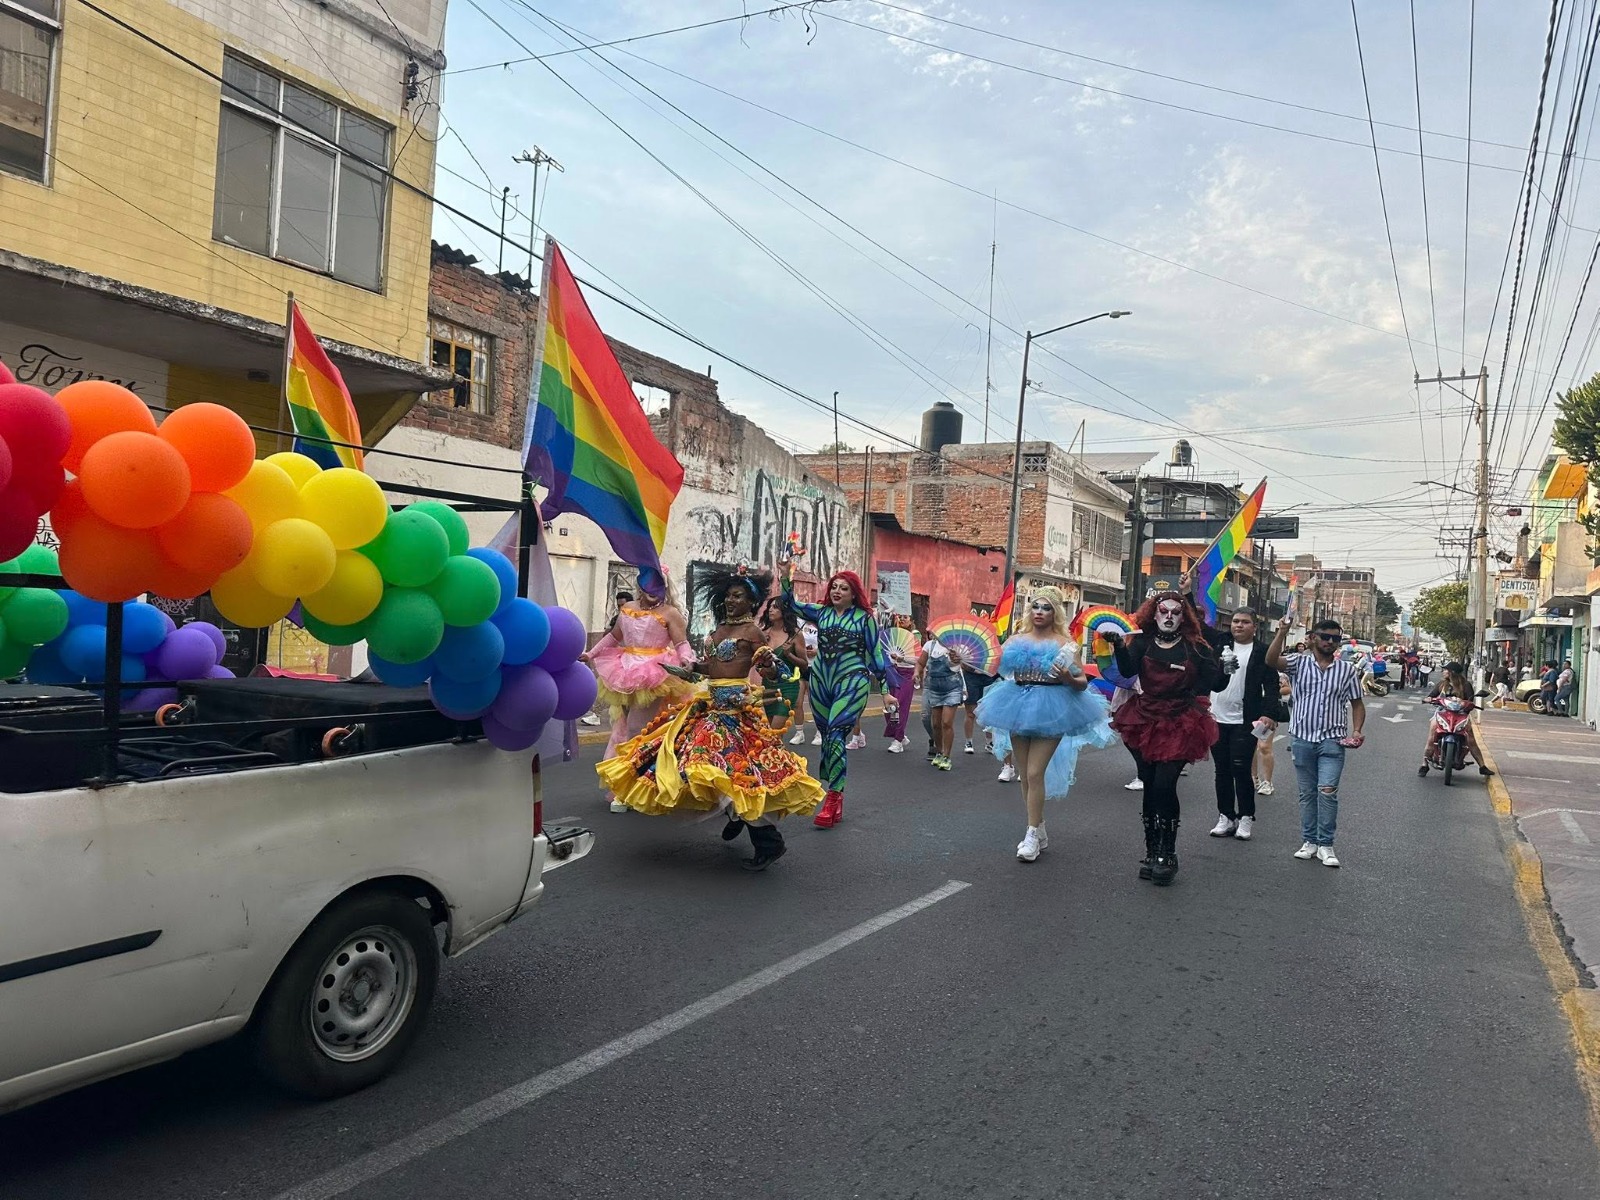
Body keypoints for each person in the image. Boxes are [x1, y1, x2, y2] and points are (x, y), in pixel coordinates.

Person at [595, 567, 822, 870]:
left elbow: (773, 671)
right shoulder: (719, 630)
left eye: (737, 596)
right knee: (699, 768)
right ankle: (735, 815)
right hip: (711, 708)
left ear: (751, 602)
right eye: (728, 596)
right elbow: (712, 668)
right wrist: (690, 669)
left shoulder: (753, 632)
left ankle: (769, 843)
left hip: (736, 714)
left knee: (740, 774)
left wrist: (769, 665)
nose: (731, 601)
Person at [976, 587, 1115, 861]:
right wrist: (962, 661)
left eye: (1046, 607)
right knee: (1025, 772)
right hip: (1016, 705)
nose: (1039, 612)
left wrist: (1067, 677)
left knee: (1034, 772)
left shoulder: (1065, 644)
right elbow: (994, 668)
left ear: (1055, 613)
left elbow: (1081, 683)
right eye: (1036, 607)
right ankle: (1038, 826)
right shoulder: (1015, 640)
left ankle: (1031, 835)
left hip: (1053, 708)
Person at [1103, 591, 1225, 886]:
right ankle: (1152, 850)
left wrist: (1227, 670)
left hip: (1181, 720)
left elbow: (1213, 683)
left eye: (1176, 612)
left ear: (1184, 617)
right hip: (1143, 718)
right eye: (1164, 611)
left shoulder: (1195, 647)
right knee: (1149, 784)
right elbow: (1128, 671)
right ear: (1153, 614)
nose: (1169, 617)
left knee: (1164, 785)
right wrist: (1119, 645)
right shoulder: (1142, 642)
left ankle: (1167, 854)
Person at [783, 564, 892, 828]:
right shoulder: (821, 613)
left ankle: (833, 796)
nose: (837, 591)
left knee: (834, 732)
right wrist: (785, 575)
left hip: (852, 680)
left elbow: (875, 654)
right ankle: (836, 794)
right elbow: (790, 605)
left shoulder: (865, 619)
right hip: (821, 680)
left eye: (843, 588)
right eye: (834, 587)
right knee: (827, 737)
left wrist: (885, 691)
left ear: (854, 594)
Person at [585, 569, 694, 813]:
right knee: (625, 729)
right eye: (649, 584)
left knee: (637, 729)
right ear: (641, 586)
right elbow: (614, 637)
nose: (653, 590)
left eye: (659, 585)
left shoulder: (670, 613)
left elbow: (681, 644)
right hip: (624, 670)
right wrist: (591, 653)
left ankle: (632, 787)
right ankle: (631, 784)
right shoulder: (628, 608)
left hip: (655, 674)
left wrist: (687, 661)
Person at [1266, 617, 1365, 868]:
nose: (1330, 642)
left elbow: (1357, 703)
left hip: (1333, 740)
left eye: (1335, 638)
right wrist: (1282, 632)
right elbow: (1271, 661)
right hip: (1302, 739)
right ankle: (1309, 841)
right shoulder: (1298, 663)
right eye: (1325, 637)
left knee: (1327, 792)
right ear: (1313, 638)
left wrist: (1357, 730)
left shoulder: (1347, 670)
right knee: (1307, 793)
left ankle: (1326, 845)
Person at [1203, 609, 1288, 842]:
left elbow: (1271, 685)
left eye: (1245, 622)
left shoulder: (1262, 651)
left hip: (1245, 719)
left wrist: (1268, 714)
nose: (1238, 625)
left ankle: (1246, 817)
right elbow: (1199, 627)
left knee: (1241, 769)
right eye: (1235, 621)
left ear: (1254, 627)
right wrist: (1187, 593)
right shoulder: (1221, 644)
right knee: (1222, 770)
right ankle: (1225, 816)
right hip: (1216, 717)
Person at [1418, 661, 1493, 777]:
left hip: (1461, 715)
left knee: (1471, 738)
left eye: (1445, 670)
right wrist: (1428, 699)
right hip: (1442, 713)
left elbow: (1470, 700)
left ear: (1452, 672)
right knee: (1431, 737)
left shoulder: (1466, 685)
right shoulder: (1442, 684)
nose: (1443, 672)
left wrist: (1466, 704)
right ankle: (1424, 764)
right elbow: (1431, 695)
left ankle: (1482, 766)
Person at [917, 634, 966, 770]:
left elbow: (965, 667)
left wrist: (958, 659)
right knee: (936, 724)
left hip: (952, 688)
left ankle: (946, 756)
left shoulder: (957, 647)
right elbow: (920, 663)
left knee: (946, 722)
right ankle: (939, 751)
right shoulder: (930, 645)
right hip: (935, 689)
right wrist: (916, 673)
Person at [759, 596, 808, 730]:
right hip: (768, 685)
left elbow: (804, 664)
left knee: (775, 731)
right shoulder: (764, 633)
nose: (770, 610)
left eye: (775, 607)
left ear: (784, 611)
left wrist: (789, 655)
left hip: (788, 686)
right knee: (772, 733)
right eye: (769, 607)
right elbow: (757, 663)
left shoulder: (795, 635)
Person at [882, 616, 917, 753]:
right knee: (889, 708)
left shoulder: (915, 636)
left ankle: (898, 740)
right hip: (893, 673)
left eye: (905, 617)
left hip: (907, 675)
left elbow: (918, 659)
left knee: (900, 706)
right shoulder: (893, 634)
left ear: (911, 621)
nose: (902, 619)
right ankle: (899, 735)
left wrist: (903, 659)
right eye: (900, 617)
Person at [962, 660, 998, 755]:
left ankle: (989, 742)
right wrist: (971, 668)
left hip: (989, 676)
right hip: (971, 677)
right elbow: (962, 662)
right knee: (970, 713)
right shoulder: (969, 648)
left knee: (989, 712)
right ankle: (968, 742)